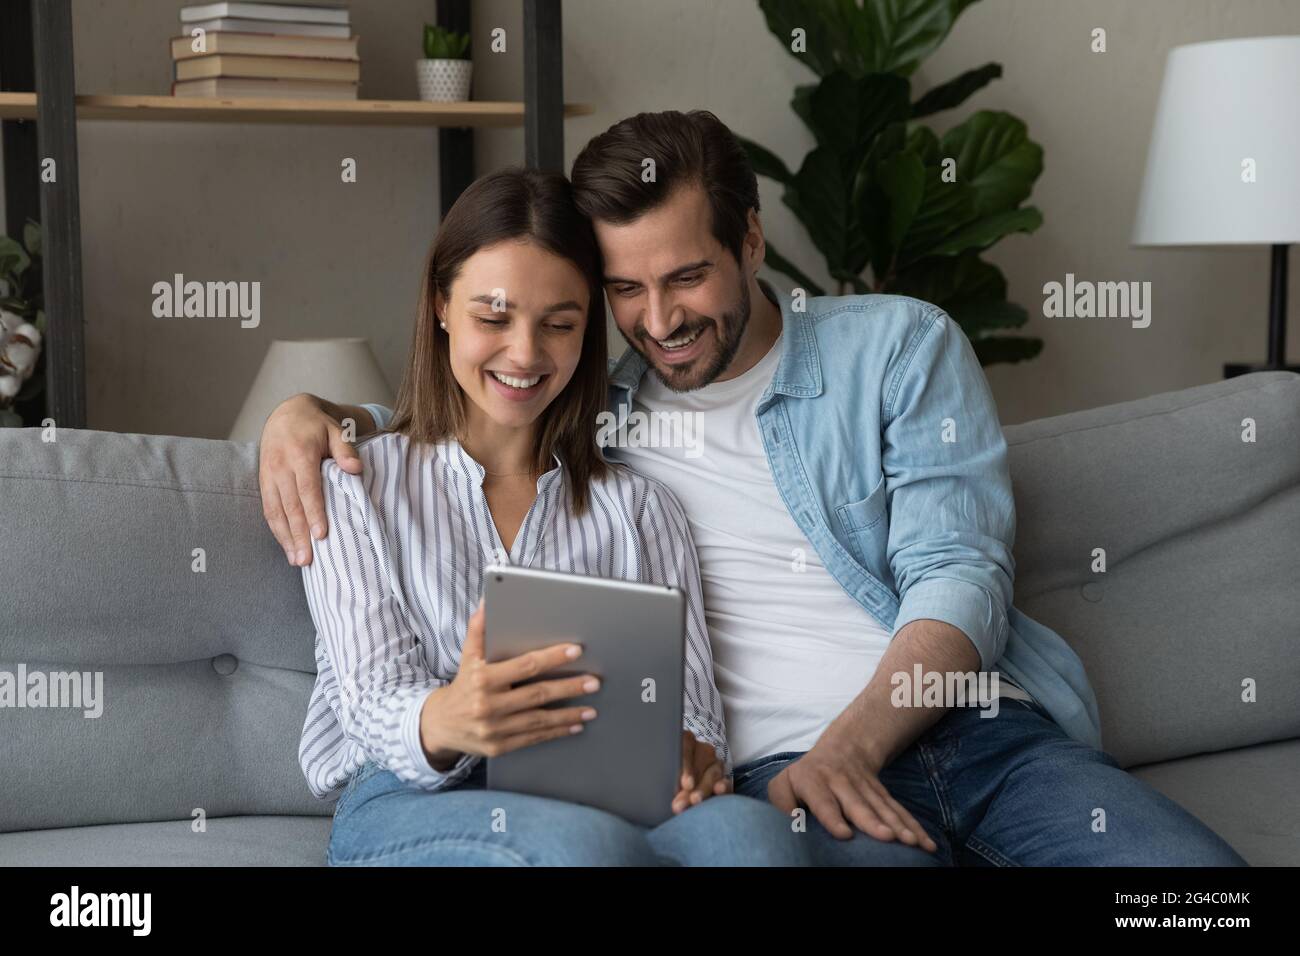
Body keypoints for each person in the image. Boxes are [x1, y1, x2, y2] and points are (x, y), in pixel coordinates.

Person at [263, 110, 1247, 867]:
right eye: (625, 291)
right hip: (780, 781)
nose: (658, 320)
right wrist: (310, 412)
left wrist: (844, 747)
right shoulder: (598, 402)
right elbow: (473, 402)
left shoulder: (895, 347)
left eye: (685, 276)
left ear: (750, 240)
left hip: (976, 731)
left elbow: (961, 572)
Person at [289, 165, 809, 866]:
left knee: (755, 839)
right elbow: (371, 702)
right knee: (581, 849)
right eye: (493, 318)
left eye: (559, 324)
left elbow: (691, 711)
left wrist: (692, 759)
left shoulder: (640, 509)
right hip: (411, 797)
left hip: (603, 790)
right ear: (442, 305)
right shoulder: (358, 485)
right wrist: (455, 716)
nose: (526, 354)